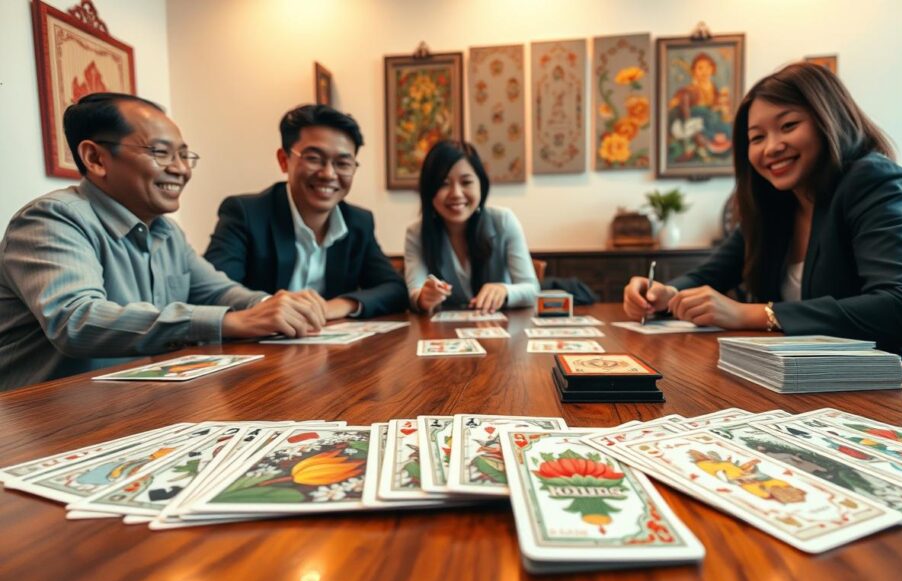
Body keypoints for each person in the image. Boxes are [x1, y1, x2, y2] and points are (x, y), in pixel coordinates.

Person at [623, 63, 902, 380]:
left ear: (829, 119)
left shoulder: (876, 182)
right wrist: (665, 294)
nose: (771, 147)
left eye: (789, 125)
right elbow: (711, 275)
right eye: (757, 138)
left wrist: (754, 314)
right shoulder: (775, 204)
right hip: (823, 386)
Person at [0, 93, 327, 391]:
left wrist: (272, 306)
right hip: (41, 426)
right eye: (161, 153)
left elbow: (219, 292)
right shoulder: (52, 218)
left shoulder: (166, 231)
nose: (182, 169)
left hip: (136, 405)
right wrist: (229, 321)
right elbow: (77, 320)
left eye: (185, 156)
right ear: (95, 158)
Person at [204, 105, 406, 319]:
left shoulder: (358, 222)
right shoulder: (245, 214)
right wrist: (271, 308)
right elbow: (212, 293)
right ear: (284, 160)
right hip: (256, 345)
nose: (328, 174)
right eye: (313, 158)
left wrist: (340, 305)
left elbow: (394, 289)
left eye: (343, 163)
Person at [404, 140, 539, 313]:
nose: (456, 194)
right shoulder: (416, 232)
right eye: (444, 184)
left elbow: (532, 290)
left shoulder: (504, 221)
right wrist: (424, 298)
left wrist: (504, 290)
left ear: (481, 185)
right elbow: (414, 292)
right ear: (429, 190)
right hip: (443, 335)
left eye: (466, 182)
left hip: (504, 333)